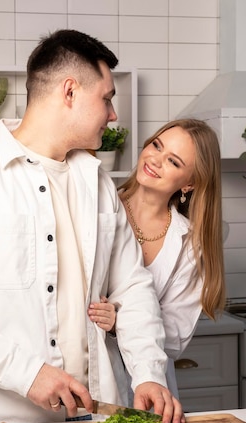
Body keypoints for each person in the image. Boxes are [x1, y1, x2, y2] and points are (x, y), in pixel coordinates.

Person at [0, 29, 183, 423]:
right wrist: (28, 373)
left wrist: (149, 374)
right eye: (106, 98)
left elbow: (133, 287)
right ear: (70, 92)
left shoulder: (98, 182)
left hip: (96, 419)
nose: (112, 113)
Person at [87, 118, 227, 399]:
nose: (155, 159)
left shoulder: (191, 243)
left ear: (189, 183)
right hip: (86, 374)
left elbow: (175, 338)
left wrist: (120, 322)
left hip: (150, 389)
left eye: (173, 161)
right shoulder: (94, 207)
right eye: (156, 145)